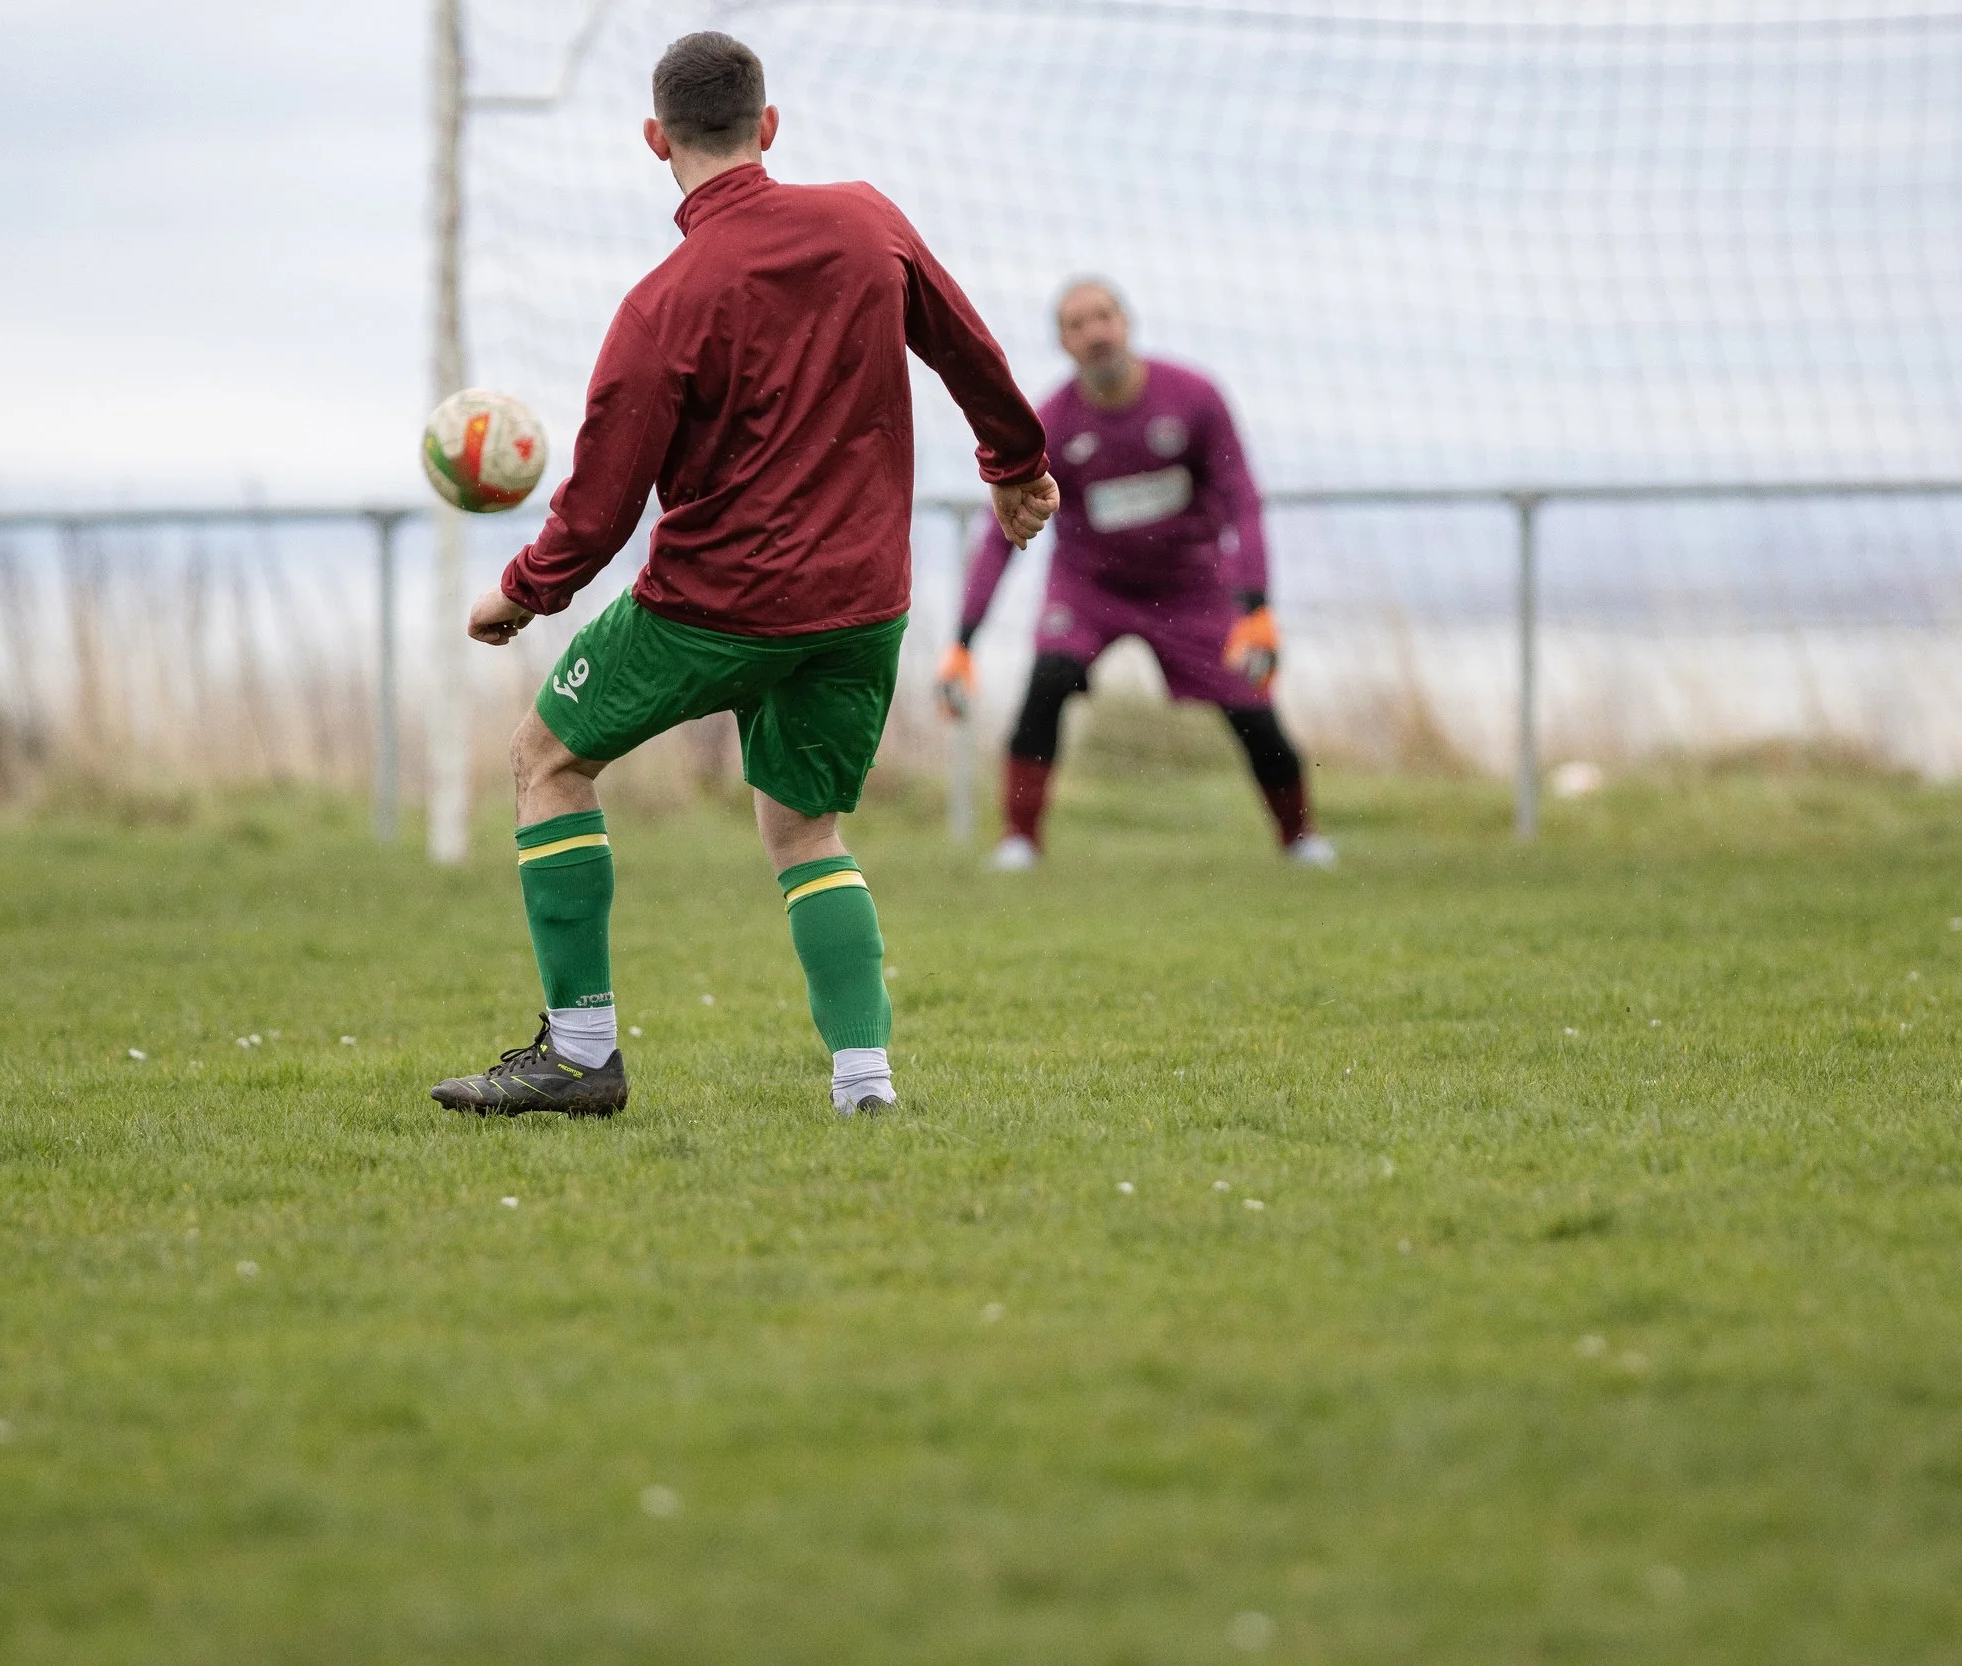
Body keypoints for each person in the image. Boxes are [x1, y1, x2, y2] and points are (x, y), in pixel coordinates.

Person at [429, 32, 1058, 1119]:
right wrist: (1015, 465)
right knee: (805, 828)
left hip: (713, 605)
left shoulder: (660, 304)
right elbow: (966, 346)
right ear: (768, 127)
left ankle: (581, 1056)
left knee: (546, 761)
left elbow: (600, 504)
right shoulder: (870, 220)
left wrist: (520, 593)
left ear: (652, 140)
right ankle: (865, 1085)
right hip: (863, 602)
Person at [937, 280, 1333, 870]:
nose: (1095, 333)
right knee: (1047, 680)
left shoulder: (1195, 398)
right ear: (1063, 342)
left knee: (1252, 705)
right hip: (1090, 588)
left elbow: (1243, 501)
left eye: (1105, 317)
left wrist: (1257, 609)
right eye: (1078, 324)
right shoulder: (1050, 424)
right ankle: (1019, 841)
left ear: (1127, 322)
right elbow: (1001, 535)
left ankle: (1300, 839)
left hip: (1192, 587)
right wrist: (963, 643)